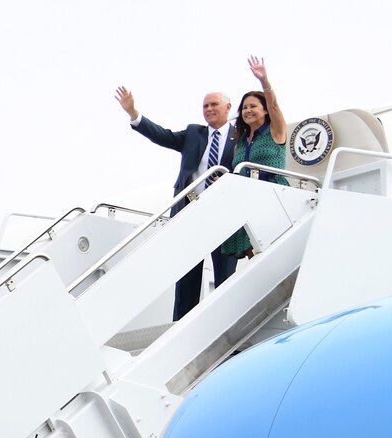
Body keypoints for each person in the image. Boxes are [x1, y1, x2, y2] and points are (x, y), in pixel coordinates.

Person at [114, 80, 238, 318]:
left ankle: (225, 321)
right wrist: (133, 113)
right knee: (186, 277)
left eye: (214, 104)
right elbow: (162, 136)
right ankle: (181, 325)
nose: (209, 109)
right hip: (190, 212)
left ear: (228, 107)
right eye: (205, 106)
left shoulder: (239, 136)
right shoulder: (194, 133)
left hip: (223, 214)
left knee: (225, 275)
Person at [221, 57, 291, 264]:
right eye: (244, 108)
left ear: (265, 110)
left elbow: (275, 105)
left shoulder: (275, 131)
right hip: (247, 197)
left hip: (273, 193)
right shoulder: (240, 143)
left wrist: (264, 81)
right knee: (255, 254)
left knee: (271, 247)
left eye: (253, 106)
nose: (248, 111)